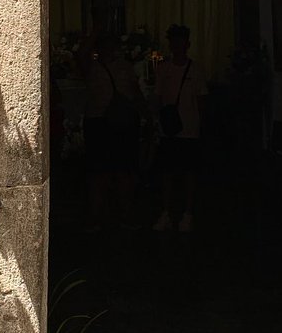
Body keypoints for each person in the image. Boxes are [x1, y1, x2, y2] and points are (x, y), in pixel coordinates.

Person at [81, 33, 144, 231]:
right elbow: (135, 93)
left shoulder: (122, 67)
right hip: (103, 122)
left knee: (118, 170)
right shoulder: (95, 67)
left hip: (115, 122)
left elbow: (135, 91)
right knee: (102, 171)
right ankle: (104, 214)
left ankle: (116, 214)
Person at [153, 24, 208, 233]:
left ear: (187, 44)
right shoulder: (163, 69)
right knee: (167, 172)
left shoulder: (196, 70)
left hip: (189, 128)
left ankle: (187, 213)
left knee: (188, 172)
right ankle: (167, 212)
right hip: (169, 129)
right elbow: (158, 97)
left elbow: (201, 100)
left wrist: (201, 125)